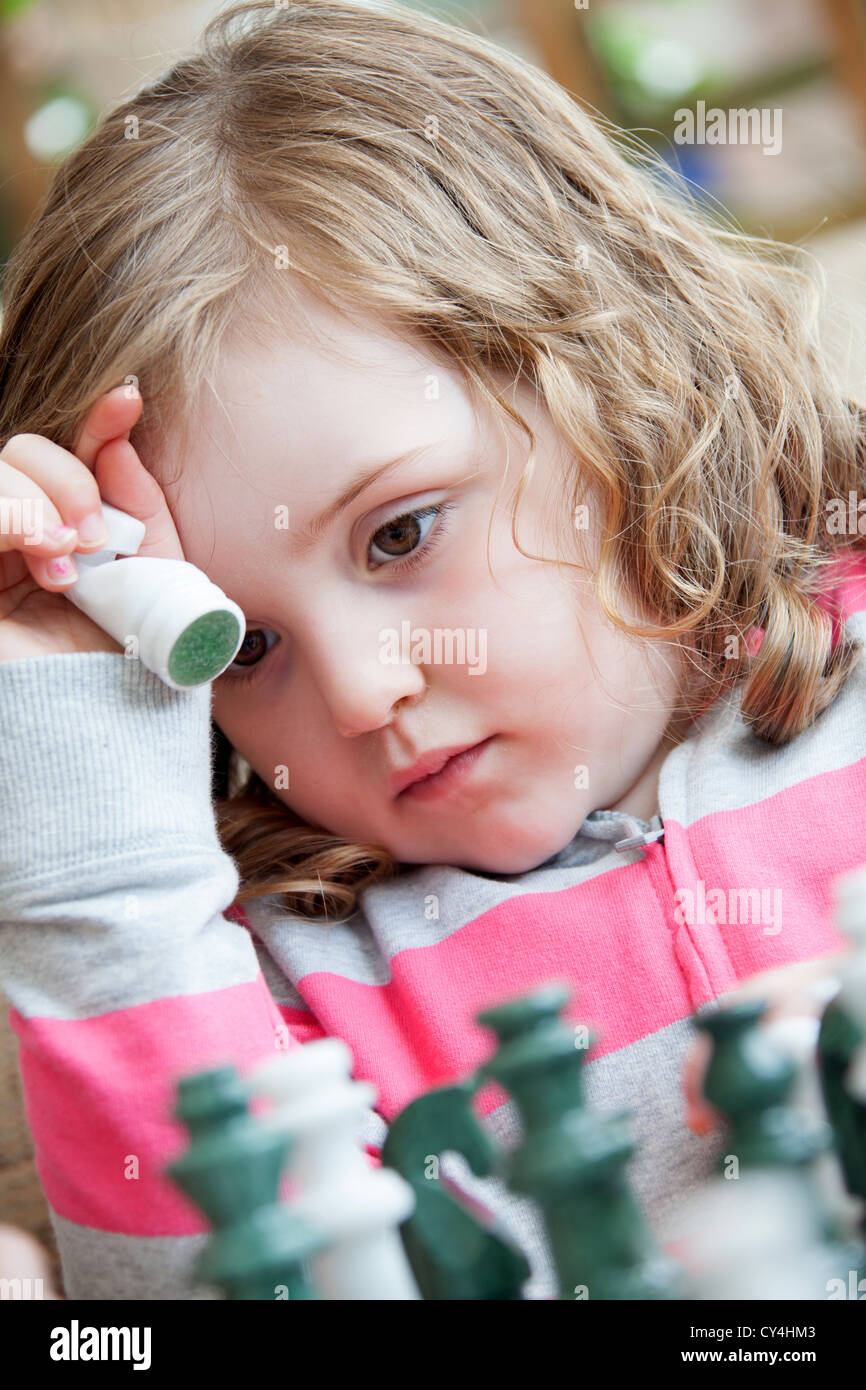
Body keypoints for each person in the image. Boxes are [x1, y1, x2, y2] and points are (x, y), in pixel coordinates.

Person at [0, 0, 864, 1300]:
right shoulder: (257, 984)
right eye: (239, 647)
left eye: (399, 533)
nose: (360, 694)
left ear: (608, 367)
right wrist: (78, 776)